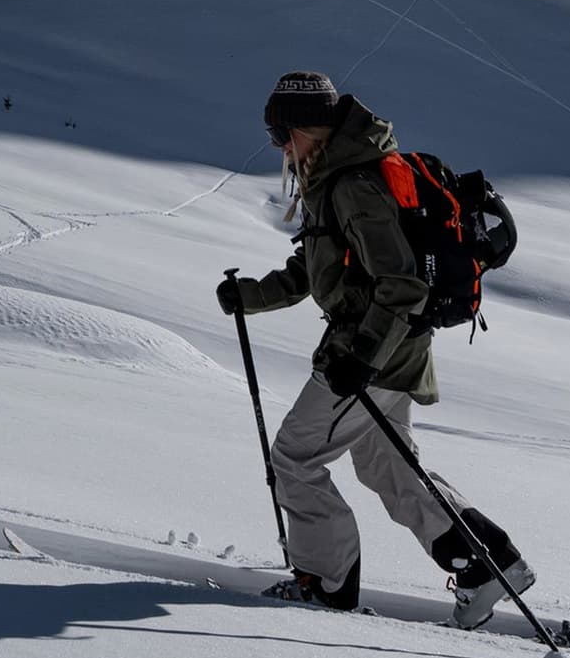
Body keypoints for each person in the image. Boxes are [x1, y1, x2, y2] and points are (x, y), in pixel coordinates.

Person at [216, 71, 531, 627]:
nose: (277, 147)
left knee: (294, 457)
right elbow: (318, 269)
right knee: (389, 466)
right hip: (394, 350)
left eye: (281, 134)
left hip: (369, 353)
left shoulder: (353, 186)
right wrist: (251, 296)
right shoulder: (334, 176)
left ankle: (325, 582)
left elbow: (401, 284)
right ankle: (487, 565)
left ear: (307, 128)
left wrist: (361, 357)